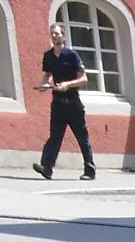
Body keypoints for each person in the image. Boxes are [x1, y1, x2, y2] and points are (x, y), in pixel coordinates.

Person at [32, 24, 95, 180]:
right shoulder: (48, 56)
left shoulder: (72, 55)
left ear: (63, 37)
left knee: (82, 137)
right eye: (52, 34)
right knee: (55, 136)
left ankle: (90, 170)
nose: (54, 36)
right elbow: (47, 75)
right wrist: (44, 85)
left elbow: (84, 78)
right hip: (58, 103)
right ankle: (47, 168)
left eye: (57, 34)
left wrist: (67, 84)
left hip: (73, 103)